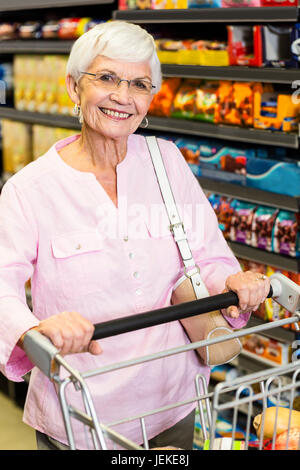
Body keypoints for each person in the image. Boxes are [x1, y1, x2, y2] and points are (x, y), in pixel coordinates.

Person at [0, 21, 270, 450]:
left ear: (150, 99)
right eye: (106, 78)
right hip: (82, 416)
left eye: (140, 84)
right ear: (73, 87)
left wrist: (232, 282)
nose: (123, 96)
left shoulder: (167, 161)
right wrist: (38, 328)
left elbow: (208, 257)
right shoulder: (29, 190)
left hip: (172, 402)